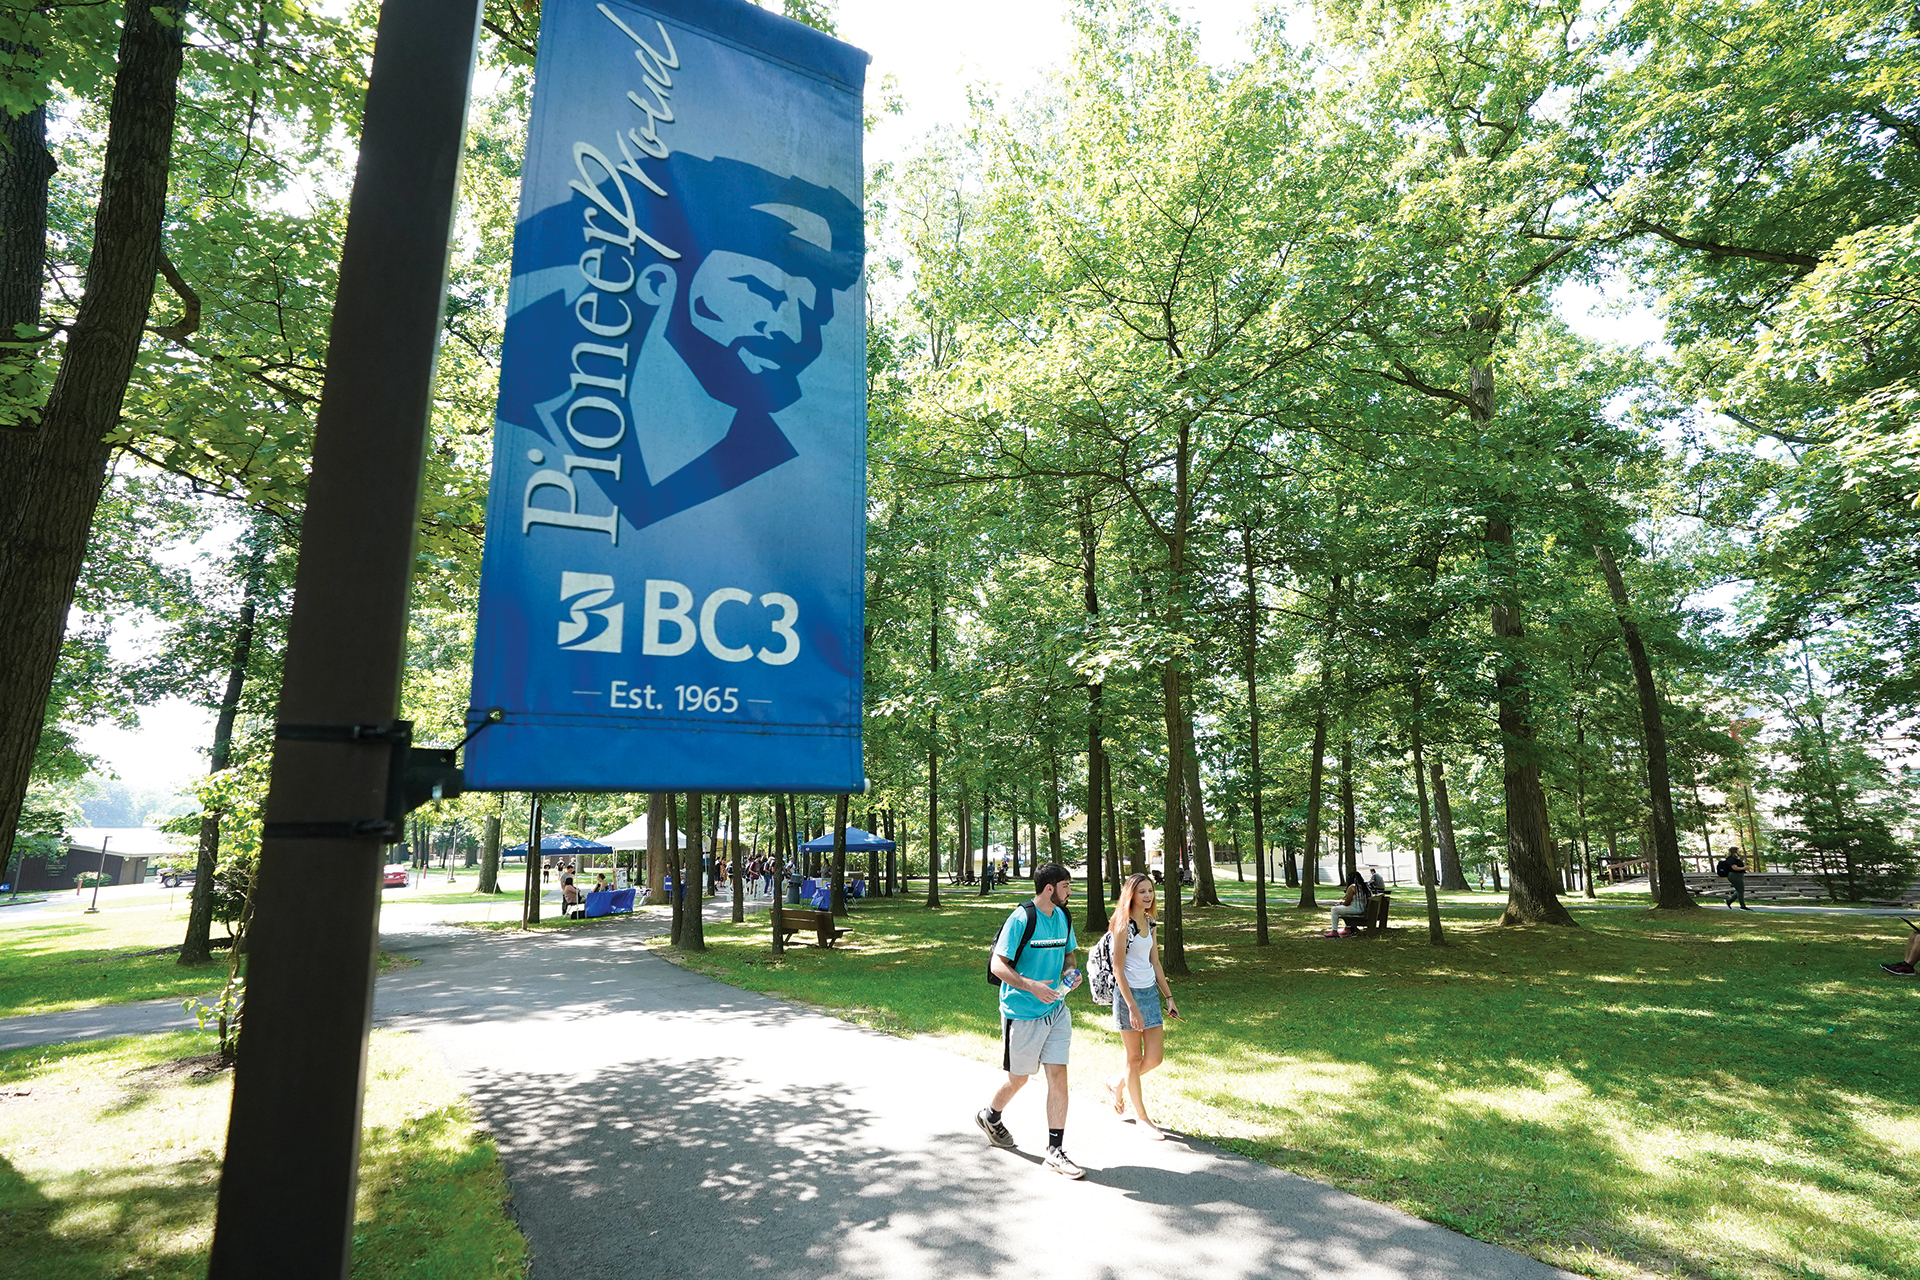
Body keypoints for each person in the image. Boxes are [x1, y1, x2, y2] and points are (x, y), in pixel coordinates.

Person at [976, 863, 1084, 1179]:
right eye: (1066, 885)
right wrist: (1031, 985)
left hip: (1056, 1010)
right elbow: (998, 965)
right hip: (1021, 1012)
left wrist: (1069, 973)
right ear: (1049, 888)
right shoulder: (1023, 918)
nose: (1070, 891)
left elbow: (1069, 955)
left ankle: (1055, 1150)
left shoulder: (1063, 917)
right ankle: (990, 1116)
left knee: (1058, 1076)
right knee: (1018, 1079)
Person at [1103, 873, 1178, 1140]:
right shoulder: (1122, 925)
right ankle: (1143, 1119)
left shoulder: (1150, 921)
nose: (1148, 896)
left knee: (1155, 1057)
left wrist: (1168, 997)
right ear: (1131, 894)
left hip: (1149, 994)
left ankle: (1117, 1082)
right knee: (1134, 1058)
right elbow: (1118, 969)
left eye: (1151, 891)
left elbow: (1155, 962)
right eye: (1142, 891)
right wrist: (1132, 1006)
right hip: (1128, 997)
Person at [1325, 870, 1372, 937]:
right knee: (1341, 909)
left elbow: (1347, 903)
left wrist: (1341, 904)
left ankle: (1334, 931)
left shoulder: (1352, 887)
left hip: (1355, 909)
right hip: (1363, 909)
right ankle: (1348, 928)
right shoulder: (1365, 887)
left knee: (1334, 909)